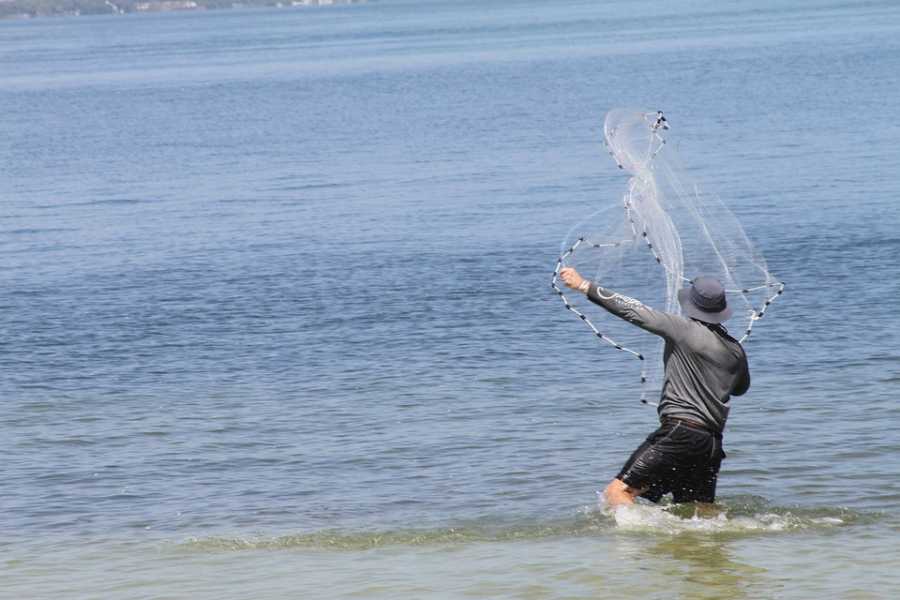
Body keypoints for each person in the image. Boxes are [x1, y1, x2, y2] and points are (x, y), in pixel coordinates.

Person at [558, 267, 750, 507]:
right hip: (710, 444)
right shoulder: (735, 350)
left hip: (679, 433)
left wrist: (584, 285)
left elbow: (635, 311)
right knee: (699, 512)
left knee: (617, 493)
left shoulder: (683, 329)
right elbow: (740, 388)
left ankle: (635, 543)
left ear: (692, 306)